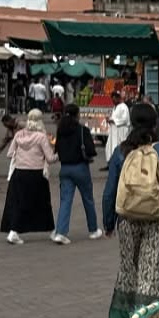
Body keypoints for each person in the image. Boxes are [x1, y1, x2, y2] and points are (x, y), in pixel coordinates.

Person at [103, 103, 159, 318]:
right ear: (155, 123)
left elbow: (110, 191)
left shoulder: (121, 152)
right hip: (157, 219)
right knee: (153, 270)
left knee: (130, 268)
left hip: (127, 219)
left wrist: (108, 223)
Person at [0, 109, 57, 243]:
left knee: (19, 203)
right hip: (36, 174)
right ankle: (52, 230)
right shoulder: (41, 136)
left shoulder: (19, 134)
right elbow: (50, 158)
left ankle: (13, 231)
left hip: (19, 173)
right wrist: (59, 154)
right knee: (43, 204)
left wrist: (21, 155)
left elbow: (9, 154)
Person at [53, 103, 102, 243]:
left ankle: (61, 232)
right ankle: (93, 230)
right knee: (88, 199)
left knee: (65, 201)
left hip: (65, 168)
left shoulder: (60, 130)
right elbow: (91, 150)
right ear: (77, 114)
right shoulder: (82, 130)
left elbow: (56, 149)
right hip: (80, 167)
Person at [105, 88, 132, 158]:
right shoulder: (115, 107)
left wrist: (113, 121)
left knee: (118, 147)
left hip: (121, 132)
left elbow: (125, 119)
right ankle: (110, 162)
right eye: (112, 99)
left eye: (114, 98)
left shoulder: (124, 107)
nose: (113, 100)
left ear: (118, 98)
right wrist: (109, 119)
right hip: (113, 132)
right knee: (110, 147)